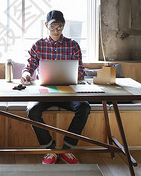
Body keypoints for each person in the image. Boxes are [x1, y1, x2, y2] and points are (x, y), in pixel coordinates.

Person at [21, 10, 90, 165]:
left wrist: (76, 75)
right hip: (44, 92)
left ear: (64, 25)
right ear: (46, 25)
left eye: (59, 27)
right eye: (52, 27)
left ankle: (66, 150)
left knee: (84, 107)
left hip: (68, 92)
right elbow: (29, 67)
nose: (56, 31)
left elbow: (81, 72)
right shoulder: (38, 45)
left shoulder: (73, 45)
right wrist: (26, 74)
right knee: (32, 110)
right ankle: (51, 150)